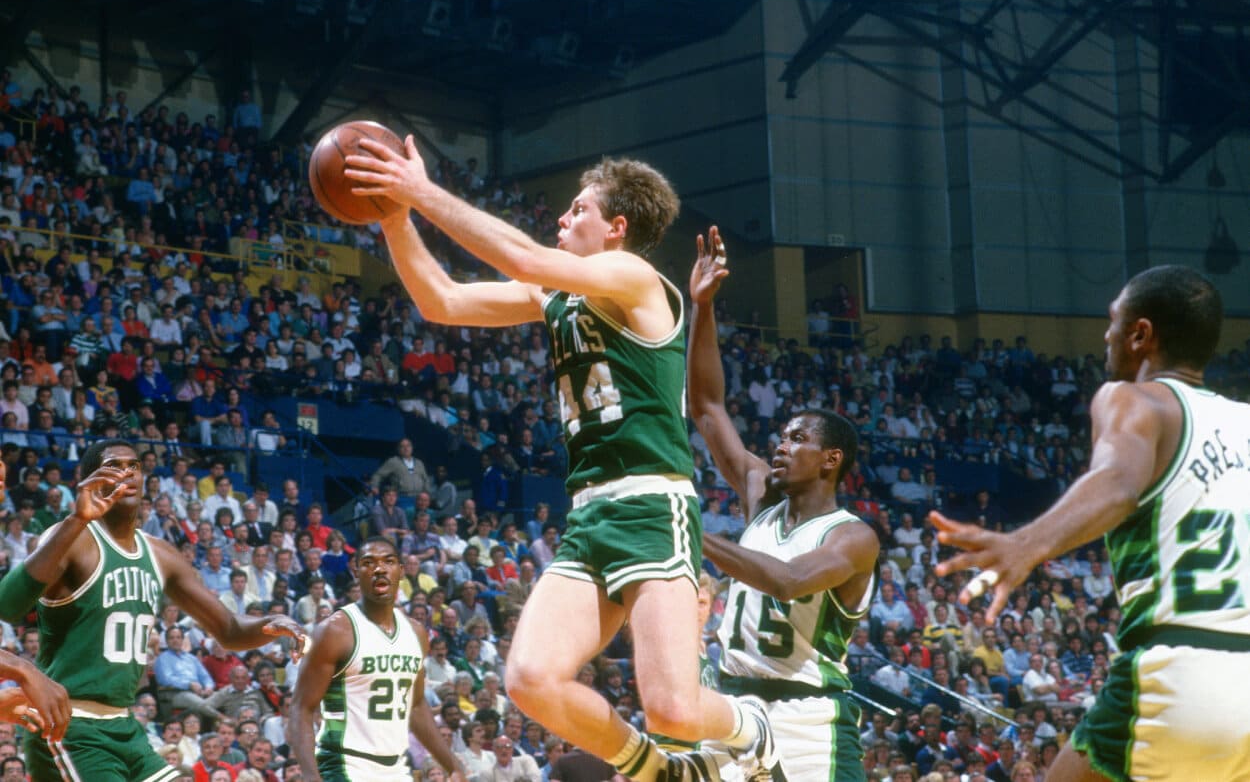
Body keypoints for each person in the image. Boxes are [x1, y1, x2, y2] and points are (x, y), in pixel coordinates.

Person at [346, 145, 775, 779]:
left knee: (674, 709)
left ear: (617, 229)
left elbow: (521, 255)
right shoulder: (557, 294)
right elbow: (442, 301)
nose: (563, 219)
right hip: (589, 515)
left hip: (653, 504)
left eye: (579, 210)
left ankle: (753, 730)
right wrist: (392, 217)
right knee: (528, 679)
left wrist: (420, 191)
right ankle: (657, 771)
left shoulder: (634, 278)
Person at [931, 265, 1250, 781]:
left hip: (1182, 670)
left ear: (1140, 334)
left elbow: (1116, 483)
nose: (1105, 336)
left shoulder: (1132, 398)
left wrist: (1024, 543)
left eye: (1112, 321)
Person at [687, 226, 879, 781]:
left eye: (798, 439)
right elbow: (707, 407)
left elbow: (790, 580)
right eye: (782, 435)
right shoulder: (761, 496)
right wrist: (703, 309)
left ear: (830, 460)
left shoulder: (852, 537)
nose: (780, 444)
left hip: (807, 716)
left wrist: (692, 533)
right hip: (734, 708)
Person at [0, 439, 305, 781]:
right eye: (114, 466)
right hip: (71, 725)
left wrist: (273, 622)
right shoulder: (72, 537)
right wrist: (77, 518)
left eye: (134, 466)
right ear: (87, 481)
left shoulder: (160, 554)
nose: (127, 473)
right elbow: (8, 606)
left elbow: (229, 629)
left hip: (125, 727)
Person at [290, 536, 466, 782]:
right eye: (369, 563)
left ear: (401, 571)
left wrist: (454, 765)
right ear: (355, 571)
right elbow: (301, 708)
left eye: (389, 561)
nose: (379, 569)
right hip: (344, 765)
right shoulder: (335, 631)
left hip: (394, 767)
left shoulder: (416, 633)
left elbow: (415, 706)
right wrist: (311, 776)